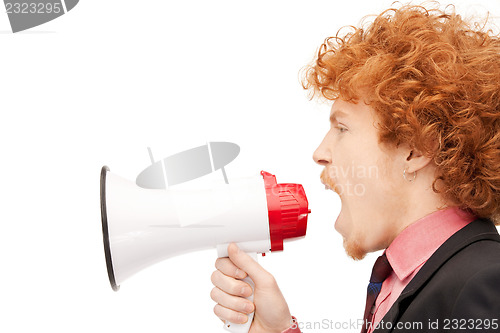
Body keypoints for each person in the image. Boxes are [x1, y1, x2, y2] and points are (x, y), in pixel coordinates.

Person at [210, 2, 500, 332]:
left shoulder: (487, 283)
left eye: (342, 128)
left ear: (414, 149)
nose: (320, 152)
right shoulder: (412, 281)